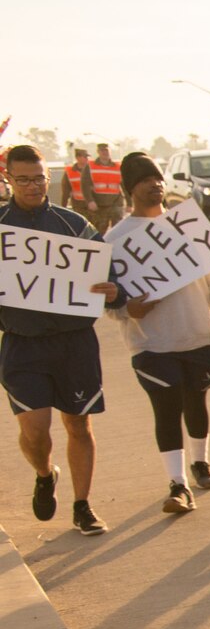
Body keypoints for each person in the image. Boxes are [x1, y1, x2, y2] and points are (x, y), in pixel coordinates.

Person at [104, 153, 210, 515]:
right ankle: (177, 484)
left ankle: (200, 462)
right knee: (167, 407)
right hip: (151, 343)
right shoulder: (115, 240)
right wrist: (128, 310)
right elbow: (107, 301)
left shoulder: (189, 226)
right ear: (128, 189)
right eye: (145, 179)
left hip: (199, 335)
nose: (154, 184)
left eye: (157, 177)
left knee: (196, 402)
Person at [0, 144, 116, 535]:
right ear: (8, 179)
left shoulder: (74, 225)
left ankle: (82, 505)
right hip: (23, 344)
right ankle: (45, 473)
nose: (33, 186)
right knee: (35, 430)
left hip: (75, 343)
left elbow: (111, 276)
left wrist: (113, 289)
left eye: (39, 178)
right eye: (24, 179)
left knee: (79, 426)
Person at [87, 143, 125, 233]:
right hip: (100, 205)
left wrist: (130, 203)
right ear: (98, 152)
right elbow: (85, 185)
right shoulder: (90, 166)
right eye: (102, 151)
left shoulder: (118, 166)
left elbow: (124, 185)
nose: (105, 152)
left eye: (106, 150)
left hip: (116, 202)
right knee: (100, 230)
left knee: (119, 230)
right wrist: (90, 201)